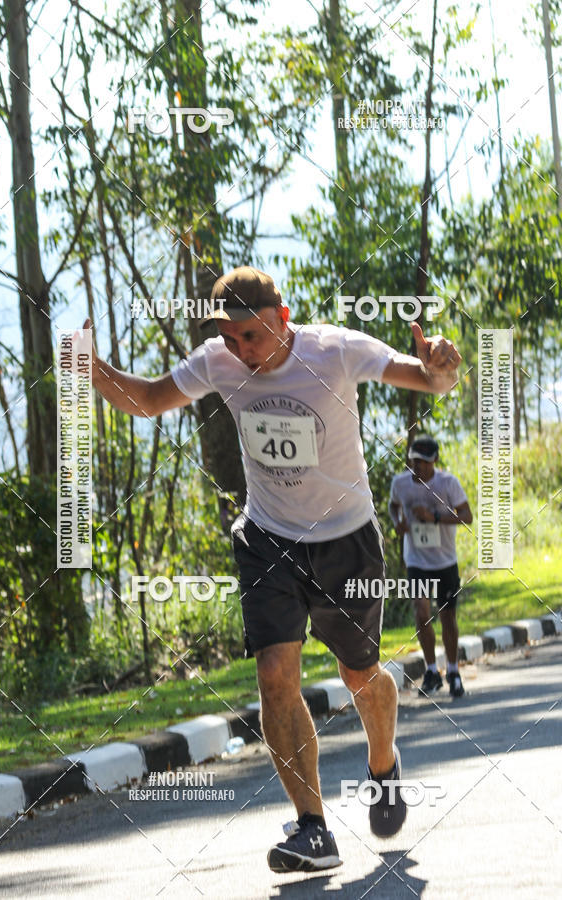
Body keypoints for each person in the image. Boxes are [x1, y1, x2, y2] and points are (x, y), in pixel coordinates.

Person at [83, 266, 462, 872]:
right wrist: (92, 370)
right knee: (274, 677)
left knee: (360, 675)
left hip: (346, 541)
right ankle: (313, 828)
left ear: (283, 319)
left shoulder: (335, 350)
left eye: (251, 336)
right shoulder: (218, 361)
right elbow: (150, 400)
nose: (240, 350)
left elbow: (427, 379)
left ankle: (383, 765)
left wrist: (441, 364)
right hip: (268, 540)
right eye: (229, 338)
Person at [389, 435, 473, 698]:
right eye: (415, 461)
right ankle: (431, 670)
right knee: (421, 610)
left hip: (445, 561)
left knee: (447, 617)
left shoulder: (448, 483)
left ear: (435, 460)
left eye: (425, 462)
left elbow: (467, 516)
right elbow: (393, 506)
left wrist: (434, 516)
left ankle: (453, 671)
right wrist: (397, 523)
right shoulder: (400, 483)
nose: (419, 466)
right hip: (417, 561)